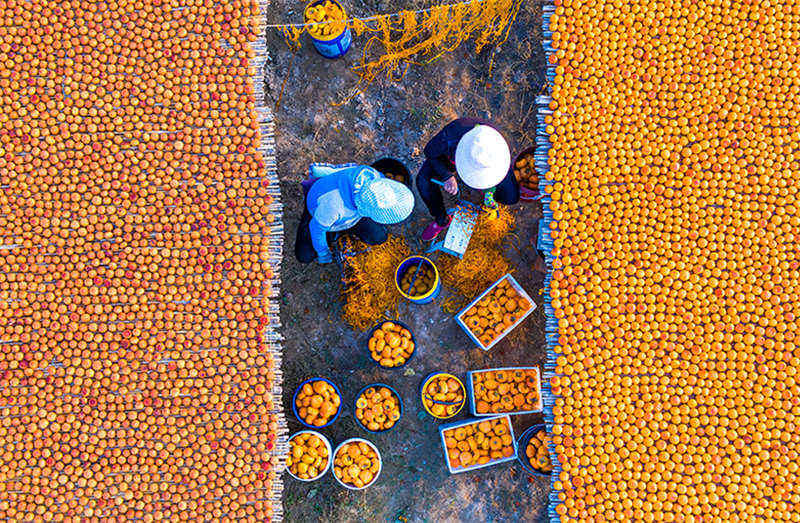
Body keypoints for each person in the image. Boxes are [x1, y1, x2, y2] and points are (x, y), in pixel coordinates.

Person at [416, 118, 520, 241]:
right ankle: (442, 220)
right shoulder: (451, 136)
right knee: (422, 181)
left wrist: (490, 192)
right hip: (449, 161)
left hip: (489, 166)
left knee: (510, 196)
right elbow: (429, 151)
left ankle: (488, 194)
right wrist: (447, 175)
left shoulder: (494, 141)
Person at [295, 164, 414, 264]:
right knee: (304, 255)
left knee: (379, 237)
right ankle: (334, 234)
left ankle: (339, 233)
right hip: (320, 211)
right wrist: (323, 253)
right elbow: (316, 228)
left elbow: (340, 170)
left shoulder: (373, 177)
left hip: (352, 215)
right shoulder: (334, 206)